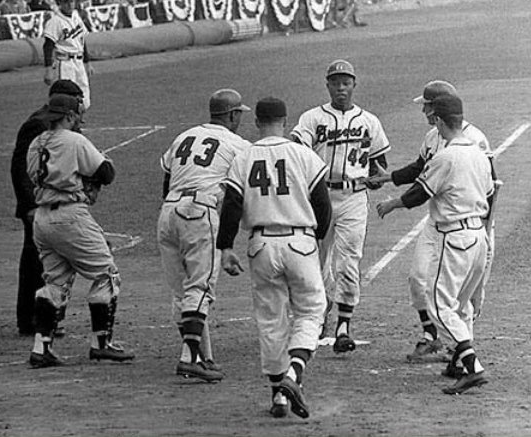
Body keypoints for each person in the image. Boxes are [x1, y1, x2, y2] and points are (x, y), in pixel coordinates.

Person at [217, 97, 332, 419]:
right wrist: (315, 239)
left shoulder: (244, 157)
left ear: (257, 122)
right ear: (285, 120)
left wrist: (225, 248)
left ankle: (278, 397)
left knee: (271, 320)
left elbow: (231, 206)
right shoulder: (302, 153)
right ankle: (294, 375)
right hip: (300, 241)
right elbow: (323, 205)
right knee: (312, 310)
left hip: (260, 245)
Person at [367, 80, 495, 363]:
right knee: (417, 278)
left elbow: (489, 188)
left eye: (428, 106)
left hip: (469, 223)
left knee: (462, 296)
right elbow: (419, 168)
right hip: (439, 221)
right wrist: (388, 177)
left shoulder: (476, 140)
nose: (424, 111)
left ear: (440, 110)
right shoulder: (433, 137)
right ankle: (432, 337)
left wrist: (485, 229)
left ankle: (462, 354)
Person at [25, 93, 134, 368]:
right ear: (71, 116)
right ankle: (101, 344)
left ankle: (41, 348)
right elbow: (106, 172)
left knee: (55, 282)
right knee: (107, 275)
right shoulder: (74, 140)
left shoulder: (35, 143)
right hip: (70, 216)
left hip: (42, 219)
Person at [290, 59, 390, 354]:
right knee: (313, 261)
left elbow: (379, 163)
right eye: (336, 83)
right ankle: (319, 310)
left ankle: (343, 326)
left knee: (348, 261)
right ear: (328, 85)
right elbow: (295, 145)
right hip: (319, 197)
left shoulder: (369, 121)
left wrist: (377, 179)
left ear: (354, 85)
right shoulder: (312, 118)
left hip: (354, 198)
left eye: (346, 82)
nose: (341, 88)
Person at [157, 89, 252, 383]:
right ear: (233, 115)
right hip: (199, 210)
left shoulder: (183, 136)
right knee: (200, 287)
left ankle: (202, 357)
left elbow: (167, 180)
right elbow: (240, 195)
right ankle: (188, 358)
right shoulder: (238, 144)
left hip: (168, 211)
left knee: (182, 291)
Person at [10, 80, 83, 336]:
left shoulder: (62, 123)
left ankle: (43, 318)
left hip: (52, 204)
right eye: (78, 99)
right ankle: (30, 319)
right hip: (40, 205)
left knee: (49, 261)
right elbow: (20, 166)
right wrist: (29, 205)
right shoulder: (38, 124)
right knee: (35, 262)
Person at [43, 0, 95, 108]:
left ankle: (75, 124)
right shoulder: (55, 21)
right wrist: (48, 69)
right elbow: (48, 46)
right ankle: (62, 124)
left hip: (79, 62)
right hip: (64, 63)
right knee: (66, 99)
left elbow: (82, 40)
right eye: (66, 2)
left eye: (72, 1)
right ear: (60, 3)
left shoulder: (76, 16)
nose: (70, 4)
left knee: (85, 100)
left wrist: (87, 62)